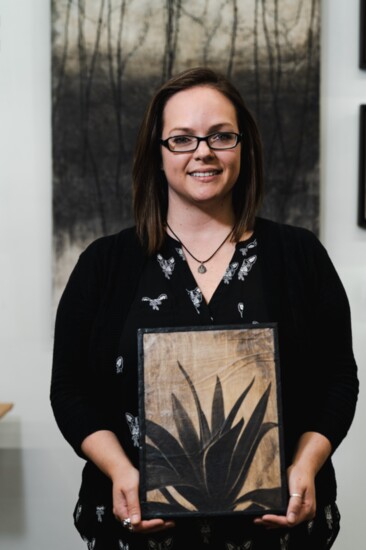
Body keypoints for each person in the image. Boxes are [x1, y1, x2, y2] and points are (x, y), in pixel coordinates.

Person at [51, 67, 358, 550]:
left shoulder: (300, 255)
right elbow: (69, 389)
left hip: (278, 531)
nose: (203, 152)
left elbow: (338, 378)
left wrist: (305, 465)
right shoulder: (104, 264)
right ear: (157, 154)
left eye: (221, 136)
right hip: (139, 530)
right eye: (182, 139)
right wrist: (120, 472)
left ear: (243, 147)